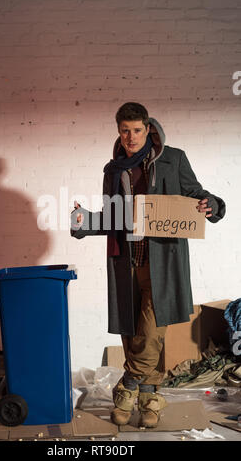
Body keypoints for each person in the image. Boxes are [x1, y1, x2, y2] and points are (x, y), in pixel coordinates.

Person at [70, 102, 226, 428]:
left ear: (148, 127)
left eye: (137, 130)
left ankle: (126, 388)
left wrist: (210, 204)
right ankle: (150, 404)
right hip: (126, 262)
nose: (131, 137)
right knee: (133, 333)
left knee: (151, 333)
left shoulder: (173, 159)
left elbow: (198, 195)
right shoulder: (113, 170)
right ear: (118, 131)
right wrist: (83, 222)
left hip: (163, 263)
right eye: (125, 131)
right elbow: (112, 217)